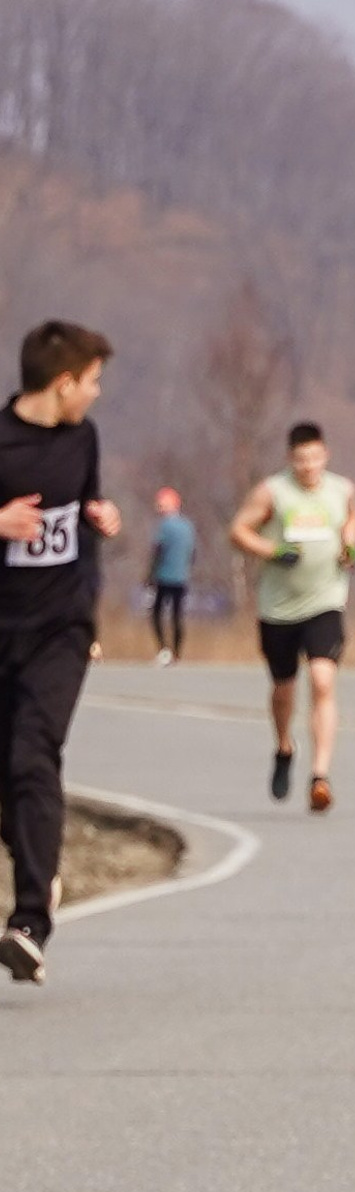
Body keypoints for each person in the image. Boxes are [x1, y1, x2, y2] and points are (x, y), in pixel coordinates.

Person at [0, 321, 121, 984]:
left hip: (60, 631)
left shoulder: (83, 439)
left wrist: (99, 518)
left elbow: (83, 517)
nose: (96, 394)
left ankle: (28, 924)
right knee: (6, 779)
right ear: (61, 382)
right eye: (92, 381)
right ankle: (42, 872)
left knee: (33, 755)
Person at [231, 422, 355, 814]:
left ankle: (320, 776)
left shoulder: (342, 490)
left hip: (326, 600)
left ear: (326, 456)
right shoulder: (273, 492)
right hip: (280, 608)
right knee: (284, 689)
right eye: (301, 460)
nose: (309, 467)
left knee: (323, 681)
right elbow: (238, 530)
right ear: (291, 459)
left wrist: (349, 546)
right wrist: (271, 550)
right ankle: (284, 747)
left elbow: (352, 517)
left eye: (315, 458)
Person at [148, 487, 196, 663]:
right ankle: (177, 653)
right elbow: (192, 553)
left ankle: (163, 648)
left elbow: (157, 551)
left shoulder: (164, 526)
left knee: (156, 613)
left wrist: (149, 575)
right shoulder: (188, 526)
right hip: (182, 577)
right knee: (177, 615)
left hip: (164, 576)